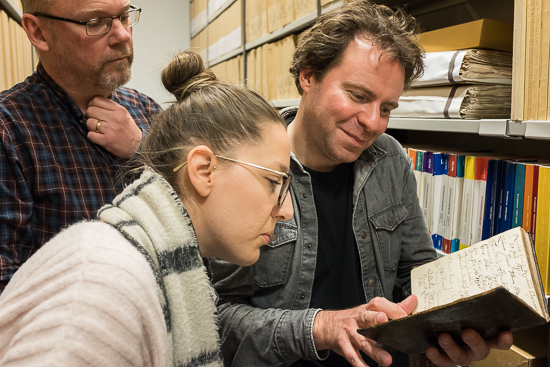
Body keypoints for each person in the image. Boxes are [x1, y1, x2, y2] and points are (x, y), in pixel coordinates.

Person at [210, 1, 513, 366]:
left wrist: (456, 322)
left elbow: (413, 274)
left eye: (386, 108)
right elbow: (217, 319)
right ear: (308, 76)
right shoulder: (247, 166)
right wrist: (319, 327)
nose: (372, 122)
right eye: (358, 96)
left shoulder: (390, 160)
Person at [0, 50, 294, 367]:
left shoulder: (149, 262)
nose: (286, 210)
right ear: (203, 170)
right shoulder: (105, 286)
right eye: (273, 181)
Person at [0, 0, 162, 292]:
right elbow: (7, 284)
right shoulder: (8, 130)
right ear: (38, 32)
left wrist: (141, 150)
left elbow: (189, 222)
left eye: (124, 16)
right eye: (95, 22)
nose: (123, 35)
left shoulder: (146, 110)